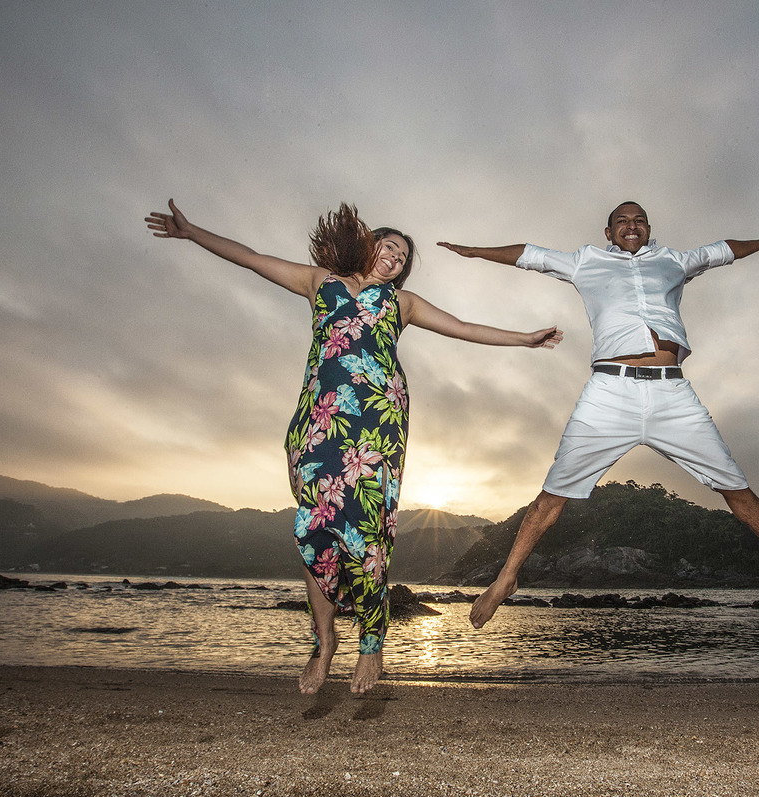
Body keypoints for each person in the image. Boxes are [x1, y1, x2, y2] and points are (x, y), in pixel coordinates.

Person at [147, 199, 562, 693]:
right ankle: (324, 642)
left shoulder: (402, 304)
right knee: (315, 528)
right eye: (389, 247)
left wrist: (524, 339)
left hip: (377, 422)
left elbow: (465, 328)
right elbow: (251, 258)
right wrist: (193, 232)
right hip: (319, 418)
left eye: (403, 257)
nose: (395, 258)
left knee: (366, 530)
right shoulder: (319, 281)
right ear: (368, 245)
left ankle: (371, 642)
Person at [438, 201, 759, 630]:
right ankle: (506, 578)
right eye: (622, 221)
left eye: (639, 221)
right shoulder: (585, 262)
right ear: (608, 232)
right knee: (552, 496)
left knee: (735, 486)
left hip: (672, 393)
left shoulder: (674, 261)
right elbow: (529, 255)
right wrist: (475, 251)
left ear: (648, 228)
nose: (631, 226)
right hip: (609, 392)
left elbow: (722, 250)